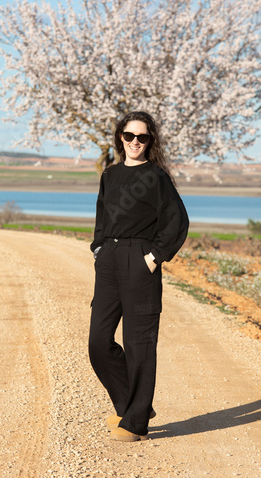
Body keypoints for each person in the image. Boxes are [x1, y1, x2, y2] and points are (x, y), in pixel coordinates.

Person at [88, 111, 189, 442]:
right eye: (129, 136)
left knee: (138, 343)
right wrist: (99, 249)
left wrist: (154, 256)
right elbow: (102, 217)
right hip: (110, 260)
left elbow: (177, 222)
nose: (135, 142)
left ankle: (135, 423)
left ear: (150, 141)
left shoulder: (156, 177)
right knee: (98, 343)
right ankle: (131, 405)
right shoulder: (110, 174)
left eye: (142, 137)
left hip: (140, 260)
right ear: (120, 137)